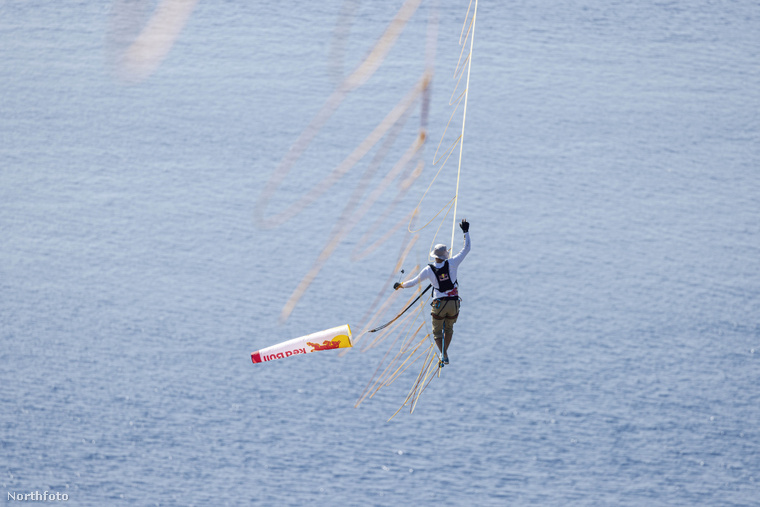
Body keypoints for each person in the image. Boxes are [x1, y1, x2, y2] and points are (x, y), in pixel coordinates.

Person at [394, 219, 470, 365]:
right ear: (445, 255)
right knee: (449, 329)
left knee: (437, 332)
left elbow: (413, 282)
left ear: (434, 256)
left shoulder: (428, 270)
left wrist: (400, 285)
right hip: (453, 303)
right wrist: (466, 232)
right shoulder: (453, 262)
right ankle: (444, 354)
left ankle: (443, 354)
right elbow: (466, 249)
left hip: (439, 304)